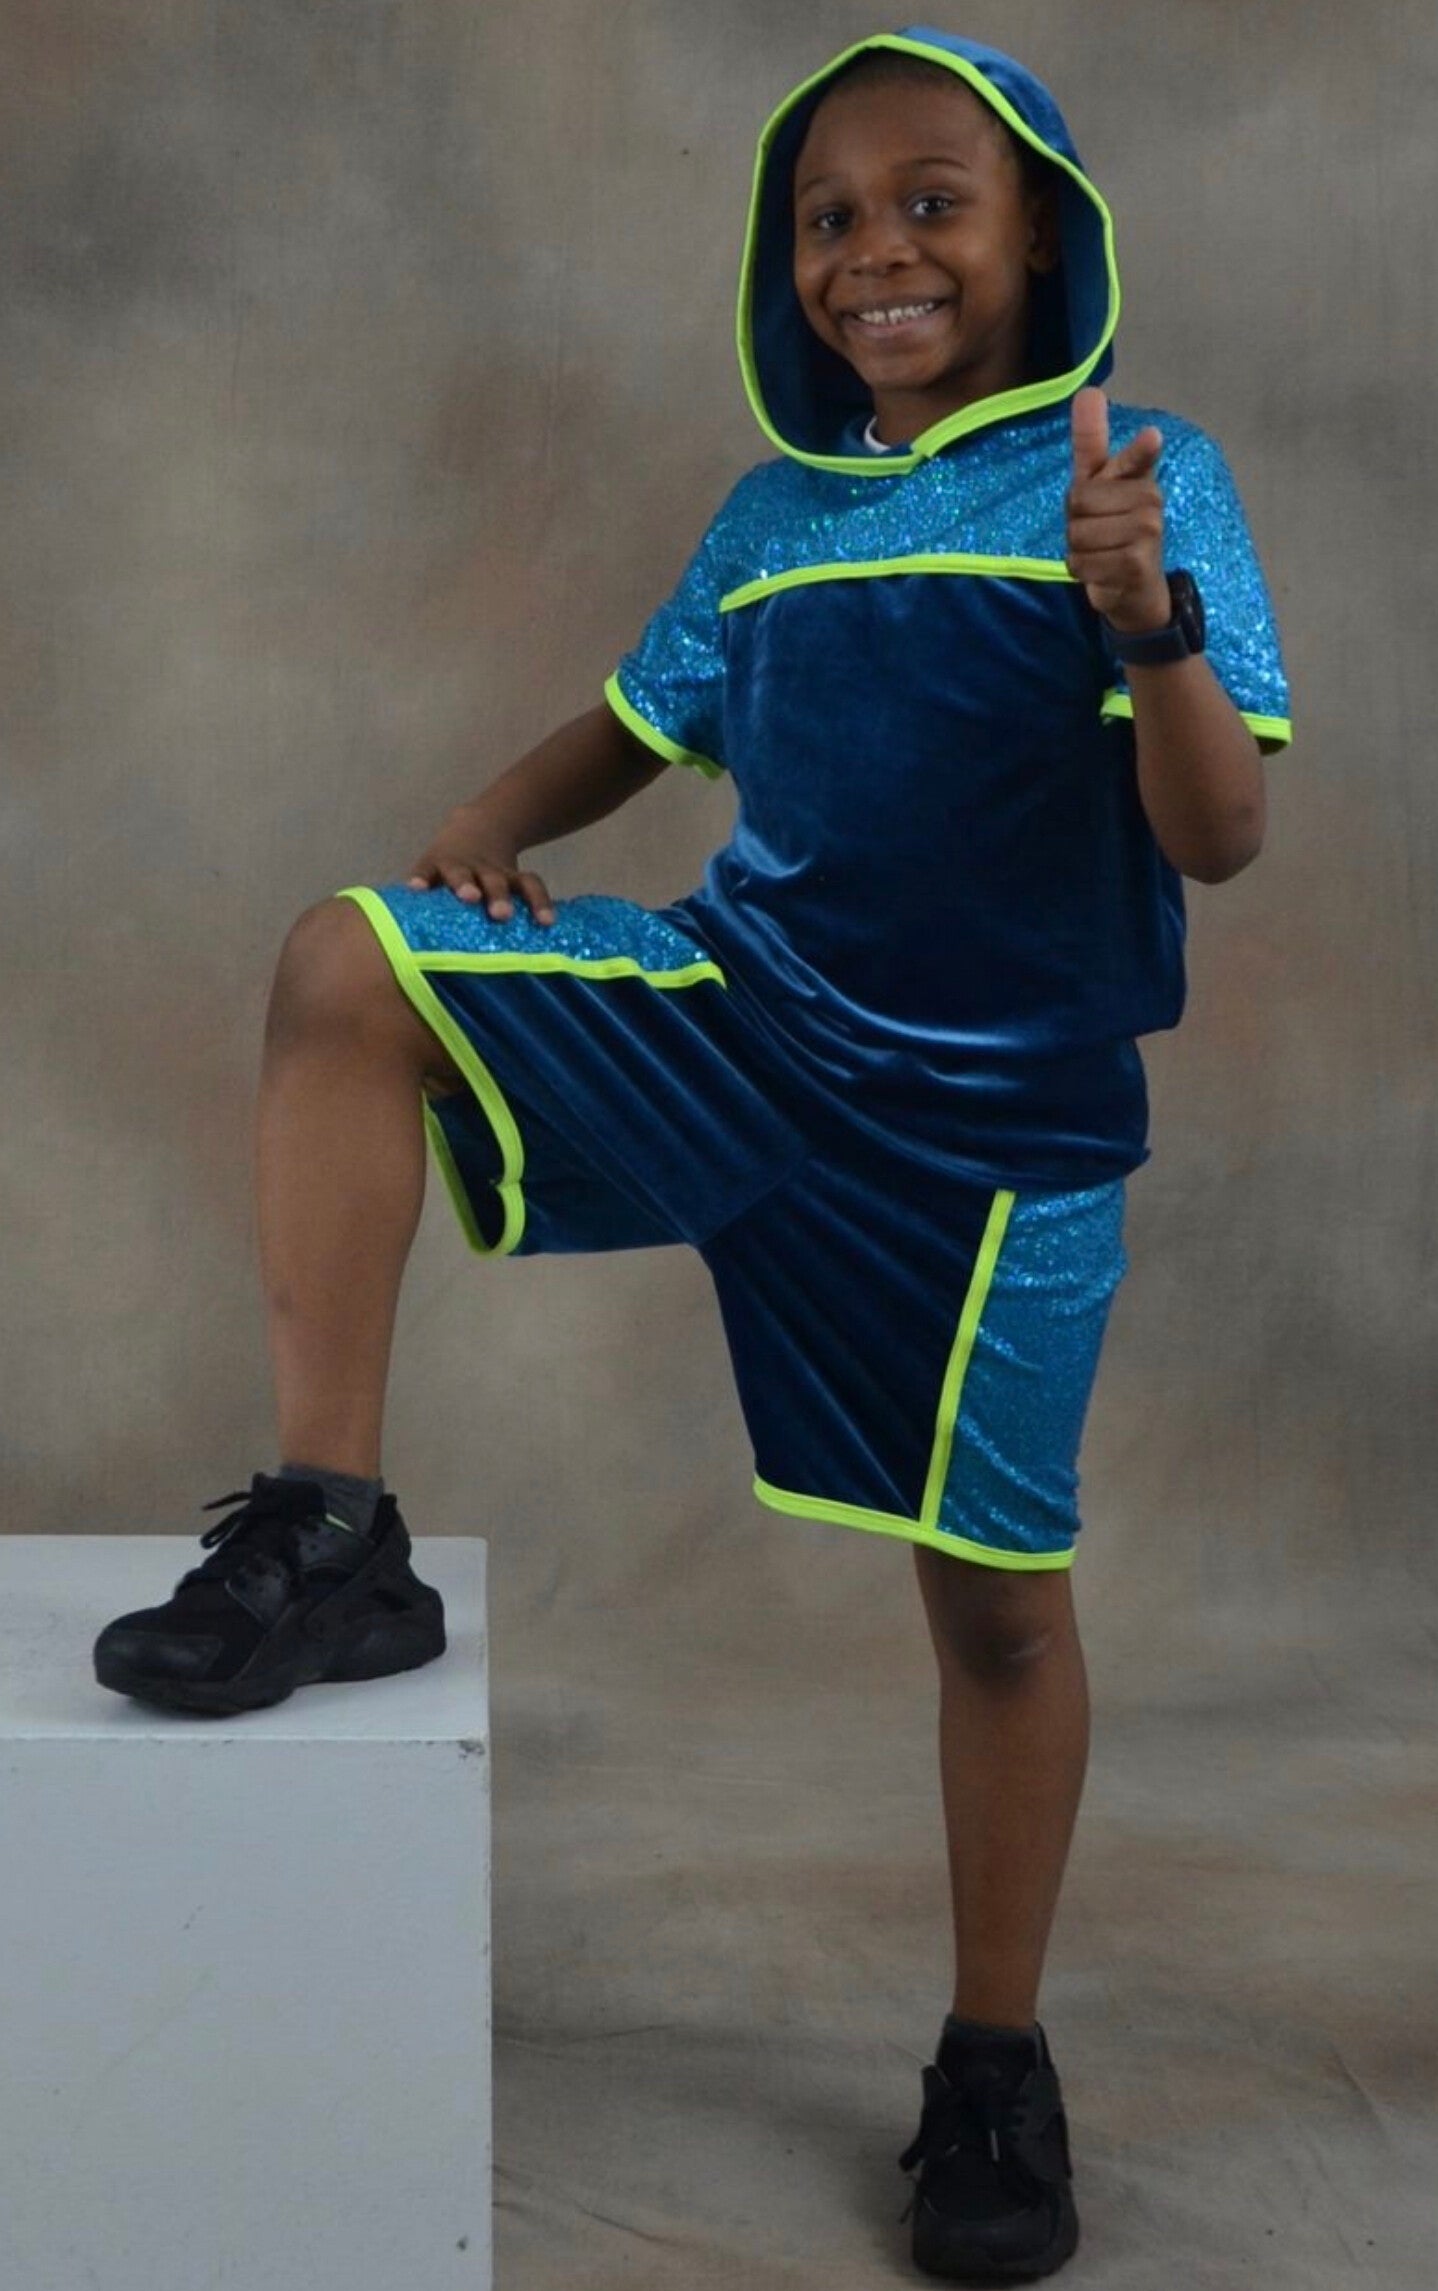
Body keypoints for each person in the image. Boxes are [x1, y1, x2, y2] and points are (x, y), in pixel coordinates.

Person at [93, 26, 1290, 2282]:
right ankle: (334, 1533)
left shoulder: (1138, 483)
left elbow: (1215, 841)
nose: (872, 252)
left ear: (1041, 236)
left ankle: (993, 2064)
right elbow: (638, 721)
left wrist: (1147, 625)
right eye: (827, 218)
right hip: (740, 1039)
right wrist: (485, 818)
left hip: (986, 1149)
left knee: (995, 1619)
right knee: (345, 963)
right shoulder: (769, 520)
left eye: (928, 200)